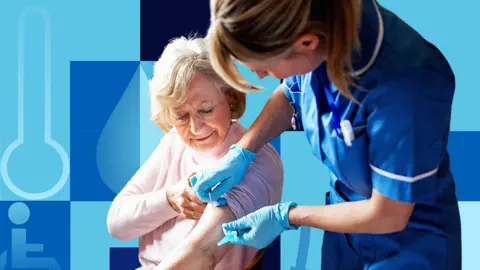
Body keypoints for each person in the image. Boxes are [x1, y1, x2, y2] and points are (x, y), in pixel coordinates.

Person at [190, 0, 462, 269]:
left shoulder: (408, 87)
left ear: (307, 43)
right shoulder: (312, 26)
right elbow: (291, 93)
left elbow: (389, 214)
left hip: (410, 245)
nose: (262, 76)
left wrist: (286, 216)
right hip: (344, 233)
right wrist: (241, 152)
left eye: (264, 67)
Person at [106, 36, 283, 270]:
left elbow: (202, 254)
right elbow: (117, 224)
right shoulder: (173, 144)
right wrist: (169, 199)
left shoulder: (257, 162)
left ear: (230, 98)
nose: (195, 128)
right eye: (180, 116)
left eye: (206, 110)